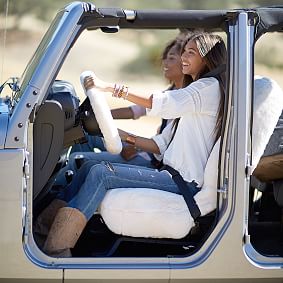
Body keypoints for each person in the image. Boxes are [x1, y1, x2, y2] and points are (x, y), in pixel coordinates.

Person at [42, 32, 227, 257]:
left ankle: (57, 249)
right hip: (172, 175)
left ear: (208, 58)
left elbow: (159, 104)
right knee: (91, 168)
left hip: (185, 184)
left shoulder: (207, 88)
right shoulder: (193, 92)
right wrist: (116, 132)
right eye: (184, 51)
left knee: (101, 173)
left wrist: (110, 88)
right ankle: (44, 228)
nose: (182, 58)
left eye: (191, 53)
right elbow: (161, 144)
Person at [51, 33, 188, 188]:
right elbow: (135, 111)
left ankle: (59, 192)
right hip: (145, 149)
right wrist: (102, 116)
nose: (165, 62)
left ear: (185, 63)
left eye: (171, 58)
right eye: (165, 57)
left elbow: (163, 146)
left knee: (80, 158)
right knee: (86, 133)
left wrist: (134, 145)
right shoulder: (170, 91)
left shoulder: (183, 100)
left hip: (151, 159)